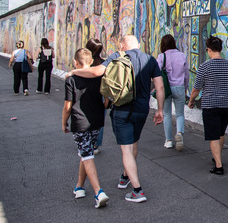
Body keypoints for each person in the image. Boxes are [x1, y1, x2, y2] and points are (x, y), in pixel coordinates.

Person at [67, 34, 164, 203]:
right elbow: (160, 86)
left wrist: (75, 71)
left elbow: (97, 71)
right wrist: (160, 110)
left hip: (122, 109)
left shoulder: (118, 56)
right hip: (142, 109)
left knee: (126, 149)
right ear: (138, 44)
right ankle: (125, 176)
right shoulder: (150, 60)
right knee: (133, 143)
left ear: (121, 45)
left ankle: (137, 190)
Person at [187, 36, 228, 175]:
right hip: (227, 104)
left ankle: (218, 166)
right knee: (220, 132)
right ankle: (217, 156)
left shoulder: (204, 66)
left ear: (208, 50)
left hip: (210, 104)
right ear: (221, 49)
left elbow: (196, 88)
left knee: (213, 135)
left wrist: (191, 101)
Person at [62, 48, 109, 208]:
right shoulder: (98, 77)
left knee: (87, 155)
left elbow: (68, 106)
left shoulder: (71, 79)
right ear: (90, 62)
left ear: (76, 62)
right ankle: (79, 187)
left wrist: (64, 122)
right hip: (96, 121)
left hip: (80, 122)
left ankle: (98, 192)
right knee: (85, 152)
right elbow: (106, 100)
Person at [157, 34, 188, 151]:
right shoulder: (182, 56)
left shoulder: (161, 56)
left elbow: (156, 73)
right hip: (179, 86)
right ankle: (179, 133)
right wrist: (185, 87)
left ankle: (168, 140)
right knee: (180, 113)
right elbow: (186, 74)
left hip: (166, 88)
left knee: (167, 115)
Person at [85, 38, 105, 154]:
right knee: (99, 120)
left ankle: (87, 141)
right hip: (100, 94)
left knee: (85, 117)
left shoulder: (85, 64)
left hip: (86, 94)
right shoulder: (103, 63)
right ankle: (95, 145)